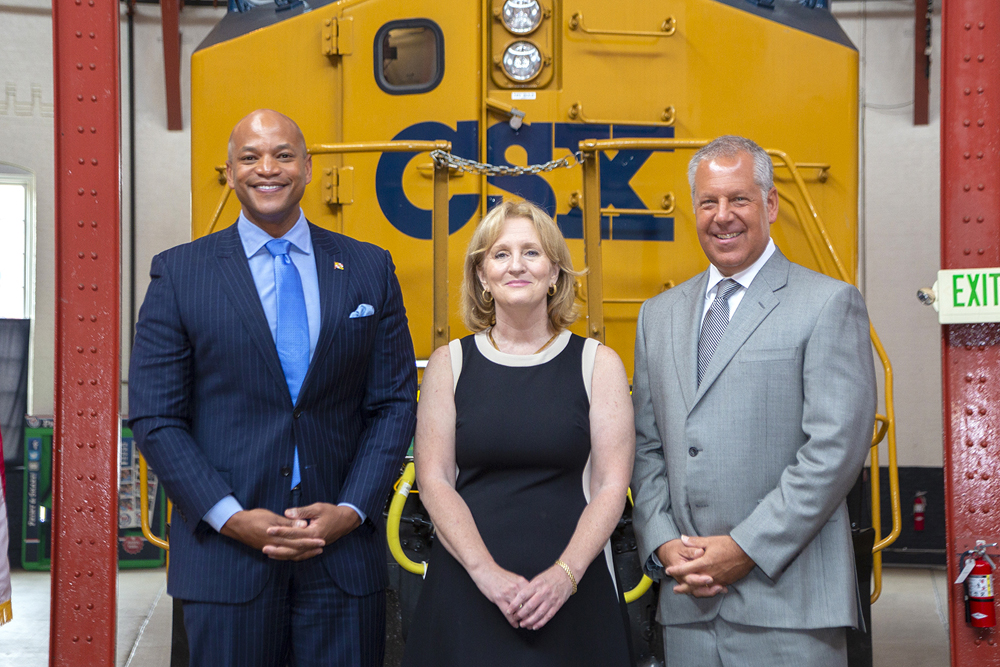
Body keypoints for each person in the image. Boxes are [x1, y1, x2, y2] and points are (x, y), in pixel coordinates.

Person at [128, 109, 417, 667]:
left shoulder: (368, 269)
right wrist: (229, 515)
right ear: (229, 173)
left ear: (308, 168)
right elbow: (156, 416)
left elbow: (392, 404)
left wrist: (352, 509)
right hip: (225, 560)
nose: (268, 169)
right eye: (250, 157)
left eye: (283, 155)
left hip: (341, 560)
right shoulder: (180, 274)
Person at [629, 135, 876, 666]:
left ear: (770, 204)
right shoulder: (659, 316)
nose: (723, 216)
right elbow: (647, 446)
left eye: (738, 199)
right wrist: (665, 542)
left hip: (789, 606)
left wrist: (743, 549)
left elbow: (834, 453)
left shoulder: (828, 304)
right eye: (708, 201)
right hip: (687, 604)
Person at [402, 200, 635, 667]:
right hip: (468, 591)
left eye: (531, 252)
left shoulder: (599, 364)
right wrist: (487, 575)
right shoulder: (450, 363)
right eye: (500, 254)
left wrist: (563, 577)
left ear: (555, 273)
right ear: (483, 277)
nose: (516, 265)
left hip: (574, 593)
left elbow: (612, 487)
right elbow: (434, 481)